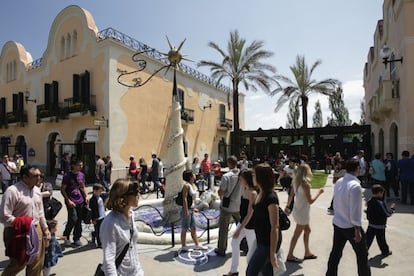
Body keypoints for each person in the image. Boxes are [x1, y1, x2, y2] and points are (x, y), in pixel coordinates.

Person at [0, 165, 51, 275]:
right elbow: (4, 215)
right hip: (17, 231)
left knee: (36, 265)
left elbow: (40, 212)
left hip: (36, 230)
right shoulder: (12, 191)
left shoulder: (37, 191)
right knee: (18, 264)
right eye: (35, 176)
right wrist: (23, 222)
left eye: (40, 175)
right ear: (25, 177)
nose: (39, 178)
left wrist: (45, 228)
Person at [326, 158, 371, 276]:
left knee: (336, 252)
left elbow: (336, 202)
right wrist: (357, 229)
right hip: (350, 226)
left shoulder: (340, 181)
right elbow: (355, 210)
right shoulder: (355, 186)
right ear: (357, 169)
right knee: (362, 255)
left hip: (338, 222)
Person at [100, 179, 144, 275]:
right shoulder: (110, 223)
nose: (139, 195)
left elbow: (132, 248)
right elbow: (109, 261)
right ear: (123, 197)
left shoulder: (131, 214)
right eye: (135, 192)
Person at [285, 163, 324, 262]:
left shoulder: (295, 182)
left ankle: (307, 252)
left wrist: (287, 206)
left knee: (307, 230)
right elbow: (310, 201)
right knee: (296, 234)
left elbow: (291, 196)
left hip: (298, 210)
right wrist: (319, 193)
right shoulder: (305, 184)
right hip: (302, 212)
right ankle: (290, 255)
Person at [246, 163, 280, 276]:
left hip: (268, 242)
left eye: (254, 175)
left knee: (251, 272)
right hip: (261, 239)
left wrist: (273, 252)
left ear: (261, 177)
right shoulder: (260, 193)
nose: (253, 177)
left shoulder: (271, 198)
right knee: (266, 272)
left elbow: (275, 226)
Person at [224, 169, 257, 276]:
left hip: (250, 225)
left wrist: (239, 228)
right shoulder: (244, 189)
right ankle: (233, 271)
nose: (240, 180)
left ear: (246, 179)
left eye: (241, 179)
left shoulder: (252, 193)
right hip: (243, 222)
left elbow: (250, 213)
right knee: (234, 243)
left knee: (251, 251)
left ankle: (251, 272)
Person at [215, 155, 242, 257]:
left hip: (227, 206)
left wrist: (221, 196)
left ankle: (221, 249)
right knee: (241, 226)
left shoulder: (226, 176)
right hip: (238, 205)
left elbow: (221, 191)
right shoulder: (242, 174)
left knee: (223, 229)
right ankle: (244, 245)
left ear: (229, 164)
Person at [61, 158, 88, 247]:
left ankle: (77, 238)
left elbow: (83, 186)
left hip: (80, 200)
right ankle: (66, 236)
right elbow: (63, 189)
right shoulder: (67, 176)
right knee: (73, 219)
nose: (81, 167)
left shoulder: (81, 175)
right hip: (71, 200)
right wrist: (68, 200)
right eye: (79, 165)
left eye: (82, 165)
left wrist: (86, 196)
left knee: (79, 220)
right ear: (73, 165)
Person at [179, 170, 206, 251]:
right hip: (186, 210)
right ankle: (183, 246)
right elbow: (184, 198)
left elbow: (192, 199)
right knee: (184, 228)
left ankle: (197, 244)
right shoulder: (186, 186)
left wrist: (194, 208)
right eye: (193, 174)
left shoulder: (193, 185)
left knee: (193, 228)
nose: (195, 175)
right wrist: (186, 211)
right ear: (190, 176)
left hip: (191, 209)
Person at [366, 184, 395, 257]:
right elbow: (387, 214)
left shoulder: (369, 201)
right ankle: (385, 251)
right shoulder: (380, 203)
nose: (382, 195)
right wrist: (392, 209)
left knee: (368, 239)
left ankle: (363, 251)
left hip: (371, 224)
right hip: (380, 225)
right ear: (379, 193)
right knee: (381, 240)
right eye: (382, 193)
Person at [89, 183, 106, 248]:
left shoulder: (101, 197)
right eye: (99, 191)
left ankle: (93, 234)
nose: (100, 193)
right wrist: (93, 219)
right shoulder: (92, 200)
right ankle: (99, 243)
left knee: (102, 229)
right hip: (96, 218)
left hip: (102, 216)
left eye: (101, 191)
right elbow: (91, 211)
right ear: (94, 191)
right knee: (98, 231)